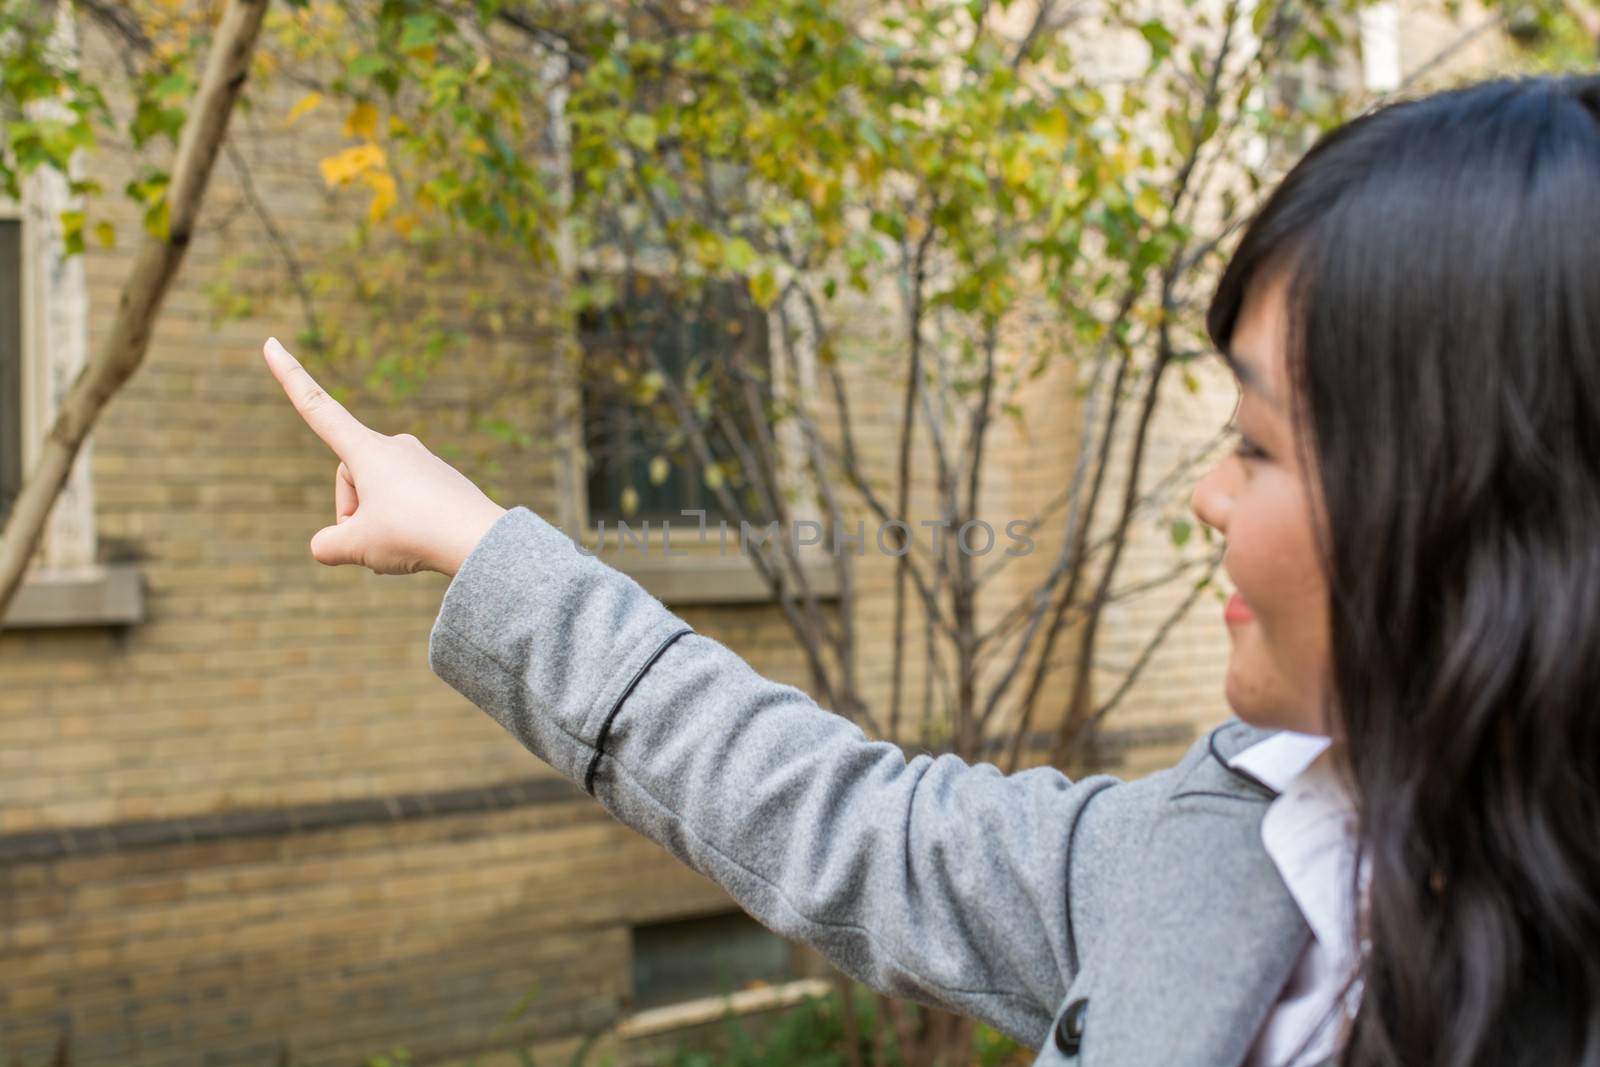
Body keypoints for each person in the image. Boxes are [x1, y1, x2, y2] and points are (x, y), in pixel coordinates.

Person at [260, 72, 1600, 1066]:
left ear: (1473, 504)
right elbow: (861, 826)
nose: (1204, 498)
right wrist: (485, 549)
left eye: (1255, 444)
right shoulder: (1229, 846)